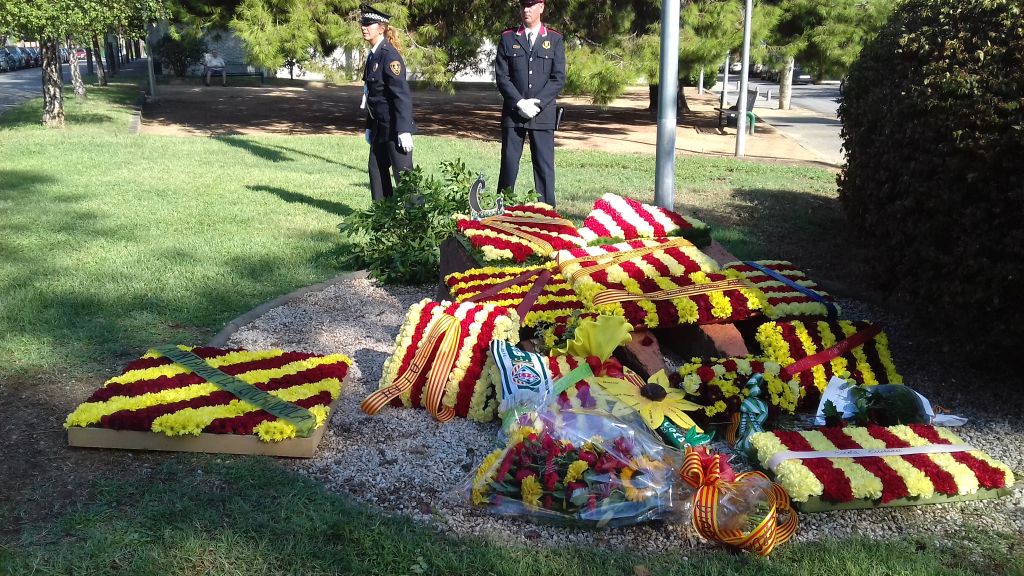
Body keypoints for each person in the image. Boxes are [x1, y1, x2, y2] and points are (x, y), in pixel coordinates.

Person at [494, 0, 565, 206]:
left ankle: (546, 214)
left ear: (541, 7)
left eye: (531, 5)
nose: (526, 10)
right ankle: (503, 209)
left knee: (544, 167)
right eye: (523, 5)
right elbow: (502, 77)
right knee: (508, 165)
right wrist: (519, 102)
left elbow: (558, 77)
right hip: (514, 113)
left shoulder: (554, 39)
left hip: (542, 114)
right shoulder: (508, 38)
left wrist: (538, 103)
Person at [360, 4, 415, 201]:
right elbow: (372, 95)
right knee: (376, 170)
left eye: (369, 23)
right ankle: (383, 216)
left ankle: (417, 221)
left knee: (405, 177)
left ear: (381, 28)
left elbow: (401, 95)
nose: (364, 27)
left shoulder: (390, 56)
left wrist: (404, 130)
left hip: (394, 126)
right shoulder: (373, 55)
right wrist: (369, 126)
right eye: (362, 23)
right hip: (379, 126)